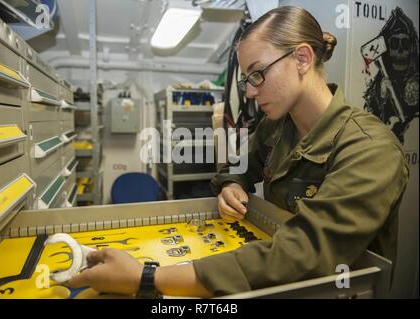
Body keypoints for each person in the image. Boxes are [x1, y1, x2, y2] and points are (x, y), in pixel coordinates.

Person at [67, 6, 409, 298]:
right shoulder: (277, 127)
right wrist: (231, 184)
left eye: (258, 74)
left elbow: (302, 253)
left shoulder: (370, 148)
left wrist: (146, 278)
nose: (249, 92)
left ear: (302, 58)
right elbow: (239, 166)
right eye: (247, 79)